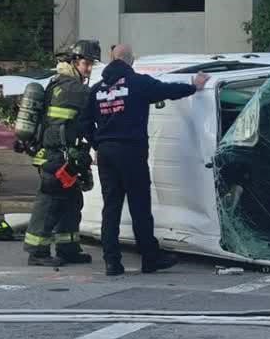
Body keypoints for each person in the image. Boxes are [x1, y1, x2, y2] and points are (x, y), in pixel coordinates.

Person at [82, 43, 208, 276]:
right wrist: (193, 86)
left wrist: (98, 144)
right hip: (131, 151)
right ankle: (150, 258)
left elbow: (85, 122)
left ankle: (112, 262)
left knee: (111, 207)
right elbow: (167, 90)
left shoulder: (97, 89)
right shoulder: (138, 83)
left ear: (112, 60)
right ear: (131, 61)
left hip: (107, 153)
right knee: (140, 205)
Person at [22, 40, 101, 268]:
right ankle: (37, 251)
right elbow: (58, 130)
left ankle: (68, 248)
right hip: (57, 158)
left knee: (71, 202)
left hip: (62, 157)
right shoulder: (72, 89)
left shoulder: (60, 83)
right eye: (86, 63)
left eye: (91, 64)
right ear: (75, 62)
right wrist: (75, 152)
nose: (88, 69)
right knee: (49, 204)